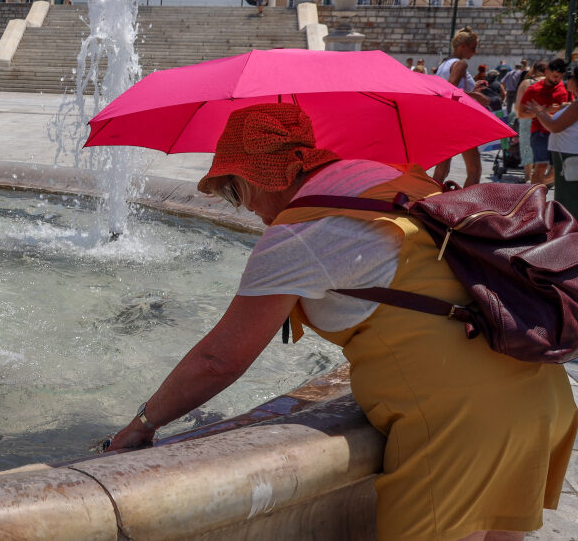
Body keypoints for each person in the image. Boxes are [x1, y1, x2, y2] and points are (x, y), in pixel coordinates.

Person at [105, 103, 577, 541]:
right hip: (537, 388)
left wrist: (142, 425)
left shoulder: (300, 233)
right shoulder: (387, 179)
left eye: (234, 190)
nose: (243, 207)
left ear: (259, 177)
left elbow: (218, 360)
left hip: (459, 423)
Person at [430, 27, 489, 186]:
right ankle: (467, 206)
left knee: (441, 169)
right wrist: (475, 96)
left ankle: (426, 200)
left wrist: (471, 89)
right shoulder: (460, 64)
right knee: (474, 169)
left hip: (444, 120)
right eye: (473, 47)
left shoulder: (444, 63)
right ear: (462, 46)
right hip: (459, 122)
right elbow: (451, 90)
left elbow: (446, 90)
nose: (475, 52)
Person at [526, 69, 578, 214]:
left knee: (568, 200)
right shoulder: (573, 104)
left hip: (570, 157)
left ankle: (569, 231)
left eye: (571, 76)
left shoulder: (576, 106)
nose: (568, 79)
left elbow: (554, 127)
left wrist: (539, 111)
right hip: (568, 155)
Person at [522, 58, 574, 187]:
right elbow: (522, 113)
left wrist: (563, 107)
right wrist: (543, 111)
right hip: (540, 132)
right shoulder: (533, 90)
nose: (557, 79)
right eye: (555, 76)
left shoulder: (566, 88)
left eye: (560, 77)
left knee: (558, 169)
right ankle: (533, 198)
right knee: (540, 167)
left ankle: (535, 188)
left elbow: (573, 105)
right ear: (546, 71)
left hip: (561, 133)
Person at [516, 61, 549, 184]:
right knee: (543, 146)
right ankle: (542, 176)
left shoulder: (526, 83)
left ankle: (528, 176)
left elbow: (518, 106)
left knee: (526, 147)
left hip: (527, 118)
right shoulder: (552, 83)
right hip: (546, 119)